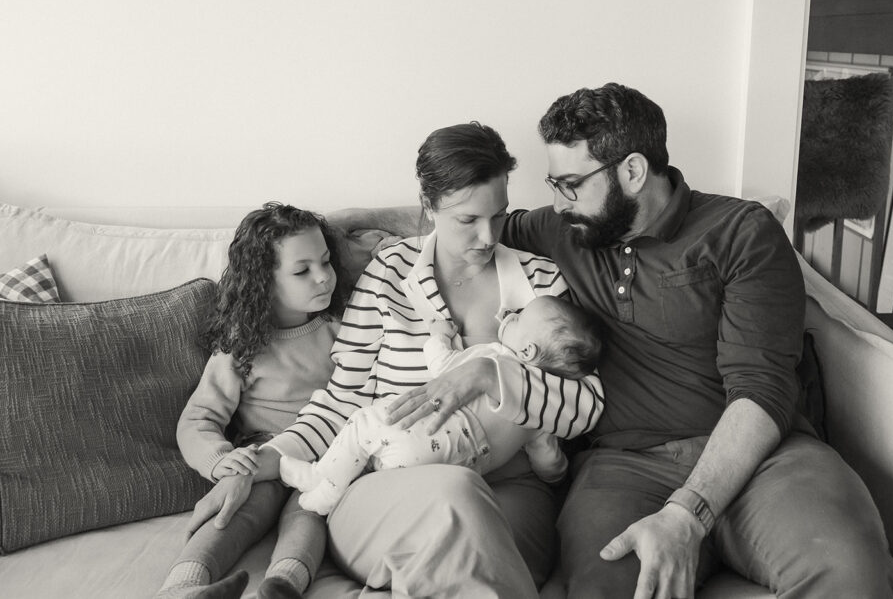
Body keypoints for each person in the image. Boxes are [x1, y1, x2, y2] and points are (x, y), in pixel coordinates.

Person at [331, 84, 893, 598]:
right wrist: (344, 225)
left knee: (848, 571)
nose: (558, 201)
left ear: (631, 171)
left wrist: (688, 514)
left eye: (571, 184)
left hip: (765, 461)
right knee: (601, 587)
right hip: (624, 470)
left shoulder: (741, 233)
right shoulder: (569, 229)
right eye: (554, 184)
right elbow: (468, 219)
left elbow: (763, 388)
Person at [185, 122, 605, 598]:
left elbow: (585, 406)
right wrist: (260, 463)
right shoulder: (389, 273)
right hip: (384, 488)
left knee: (465, 527)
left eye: (499, 215)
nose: (488, 237)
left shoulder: (541, 286)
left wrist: (490, 374)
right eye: (467, 220)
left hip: (509, 490)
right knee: (456, 497)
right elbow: (344, 400)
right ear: (428, 207)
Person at [158, 202, 349, 599]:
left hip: (325, 457)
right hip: (258, 459)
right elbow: (198, 419)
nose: (323, 278)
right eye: (302, 270)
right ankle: (183, 589)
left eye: (326, 262)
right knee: (231, 513)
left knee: (308, 513)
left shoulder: (344, 329)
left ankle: (282, 585)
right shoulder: (241, 347)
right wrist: (220, 459)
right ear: (263, 281)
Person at [278, 294, 603, 515]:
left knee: (365, 423)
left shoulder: (493, 357)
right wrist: (558, 479)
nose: (511, 315)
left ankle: (322, 482)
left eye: (519, 319)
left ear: (528, 351)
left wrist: (438, 336)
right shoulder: (540, 408)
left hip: (428, 436)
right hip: (459, 472)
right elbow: (547, 459)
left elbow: (443, 368)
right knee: (383, 467)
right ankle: (344, 484)